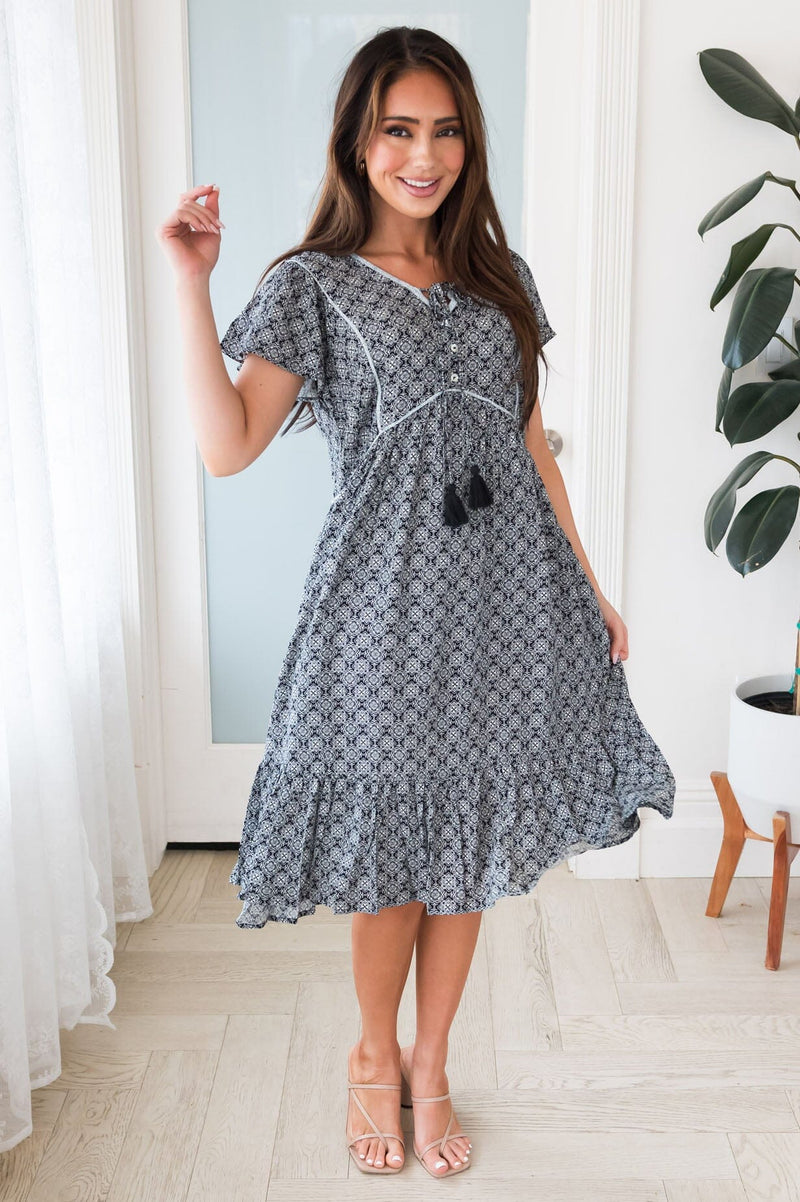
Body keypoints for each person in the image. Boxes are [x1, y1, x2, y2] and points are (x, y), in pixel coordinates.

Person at [155, 24, 675, 1181]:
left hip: (503, 609)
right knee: (392, 864)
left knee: (468, 845)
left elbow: (529, 445)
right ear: (357, 140)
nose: (423, 155)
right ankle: (369, 1053)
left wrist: (587, 583)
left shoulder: (500, 281)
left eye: (444, 132)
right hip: (380, 618)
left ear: (468, 145)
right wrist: (190, 284)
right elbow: (227, 444)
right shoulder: (312, 285)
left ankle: (430, 1060)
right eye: (398, 130)